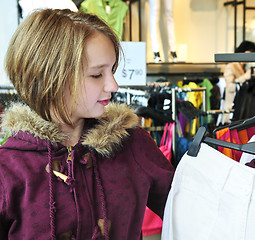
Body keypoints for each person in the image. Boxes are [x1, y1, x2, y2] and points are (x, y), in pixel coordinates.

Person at [1, 9, 174, 240]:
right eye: (96, 75)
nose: (113, 85)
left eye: (111, 70)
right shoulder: (9, 169)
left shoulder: (132, 144)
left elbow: (190, 212)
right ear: (50, 78)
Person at [222, 40, 255, 123]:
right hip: (232, 106)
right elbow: (230, 87)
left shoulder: (244, 68)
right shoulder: (231, 66)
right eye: (250, 52)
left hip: (242, 106)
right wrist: (245, 77)